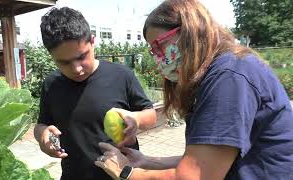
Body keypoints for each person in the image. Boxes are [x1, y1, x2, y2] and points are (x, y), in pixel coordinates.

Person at [94, 0, 293, 179]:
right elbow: (204, 159)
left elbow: (195, 176)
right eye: (153, 51)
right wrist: (146, 161)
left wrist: (127, 173)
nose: (158, 58)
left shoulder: (229, 77)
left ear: (192, 30)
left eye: (160, 45)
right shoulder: (223, 71)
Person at [33, 7, 157, 180]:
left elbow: (151, 115)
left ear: (92, 41)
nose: (76, 68)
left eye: (81, 56)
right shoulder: (51, 84)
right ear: (51, 56)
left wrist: (136, 119)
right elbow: (42, 124)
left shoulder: (121, 75)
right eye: (64, 62)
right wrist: (43, 136)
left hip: (121, 174)